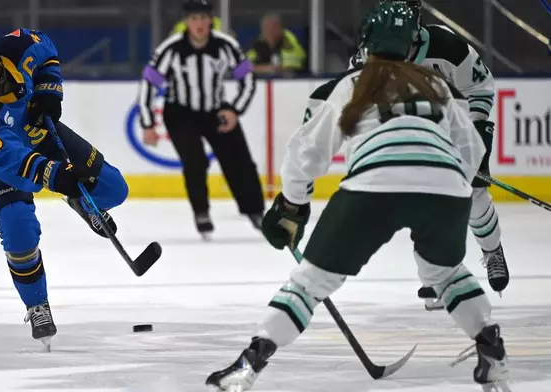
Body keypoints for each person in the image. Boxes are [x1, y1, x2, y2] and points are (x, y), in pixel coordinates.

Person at [206, 3, 510, 392]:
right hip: (444, 189)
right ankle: (493, 353)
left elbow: (306, 154)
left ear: (367, 41)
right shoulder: (438, 86)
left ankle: (249, 366)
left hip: (374, 186)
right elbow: (470, 155)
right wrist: (447, 184)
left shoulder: (353, 84)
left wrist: (292, 206)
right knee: (446, 274)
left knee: (309, 283)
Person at [0, 28, 129, 350]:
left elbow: (45, 47)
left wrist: (48, 90)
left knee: (114, 190)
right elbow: (14, 162)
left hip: (36, 129)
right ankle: (37, 305)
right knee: (19, 227)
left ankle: (83, 204)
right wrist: (58, 177)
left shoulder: (16, 47)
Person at [351, 0, 509, 308]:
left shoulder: (446, 45)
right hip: (406, 127)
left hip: (455, 121)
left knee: (474, 194)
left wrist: (479, 131)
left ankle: (492, 251)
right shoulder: (368, 50)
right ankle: (443, 277)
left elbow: (480, 87)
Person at [138, 0, 264, 240]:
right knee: (194, 160)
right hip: (180, 113)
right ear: (186, 21)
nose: (199, 24)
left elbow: (247, 78)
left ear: (211, 20)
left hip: (215, 111)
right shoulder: (171, 48)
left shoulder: (226, 45)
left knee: (239, 161)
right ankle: (201, 212)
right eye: (193, 19)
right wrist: (147, 123)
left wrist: (234, 110)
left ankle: (255, 211)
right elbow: (149, 84)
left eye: (203, 18)